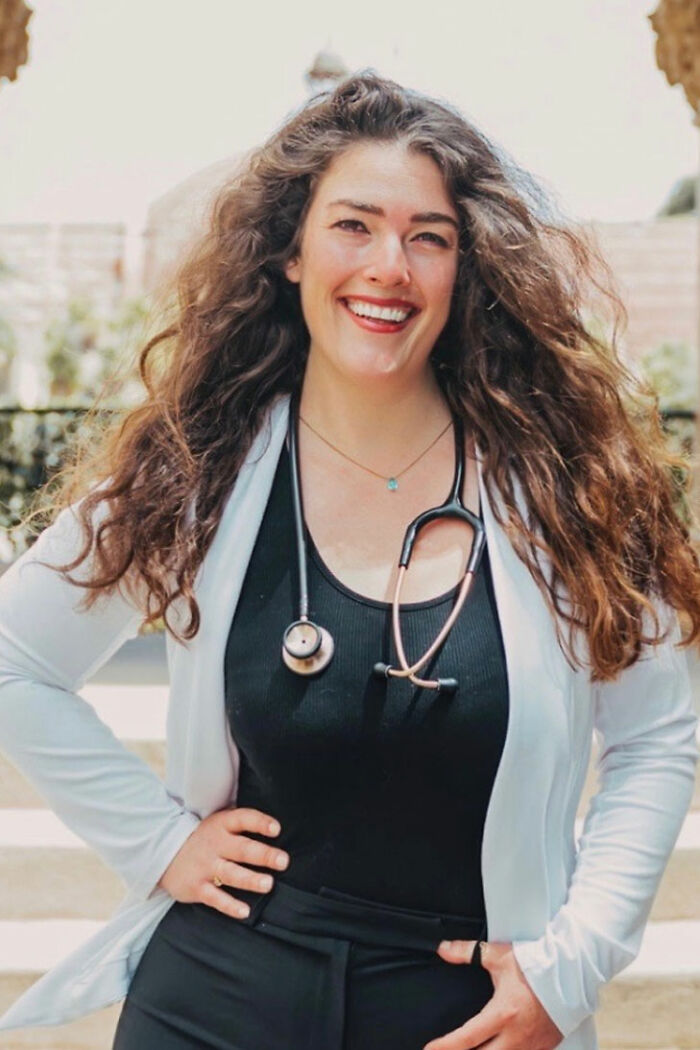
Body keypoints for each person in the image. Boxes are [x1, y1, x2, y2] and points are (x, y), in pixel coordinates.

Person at [0, 71, 698, 1050]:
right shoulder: (199, 468)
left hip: (467, 1019)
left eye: (429, 237)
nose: (389, 267)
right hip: (217, 1001)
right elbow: (13, 659)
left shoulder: (568, 485)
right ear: (290, 251)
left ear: (467, 269)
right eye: (353, 226)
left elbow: (656, 737)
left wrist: (569, 970)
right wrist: (158, 843)